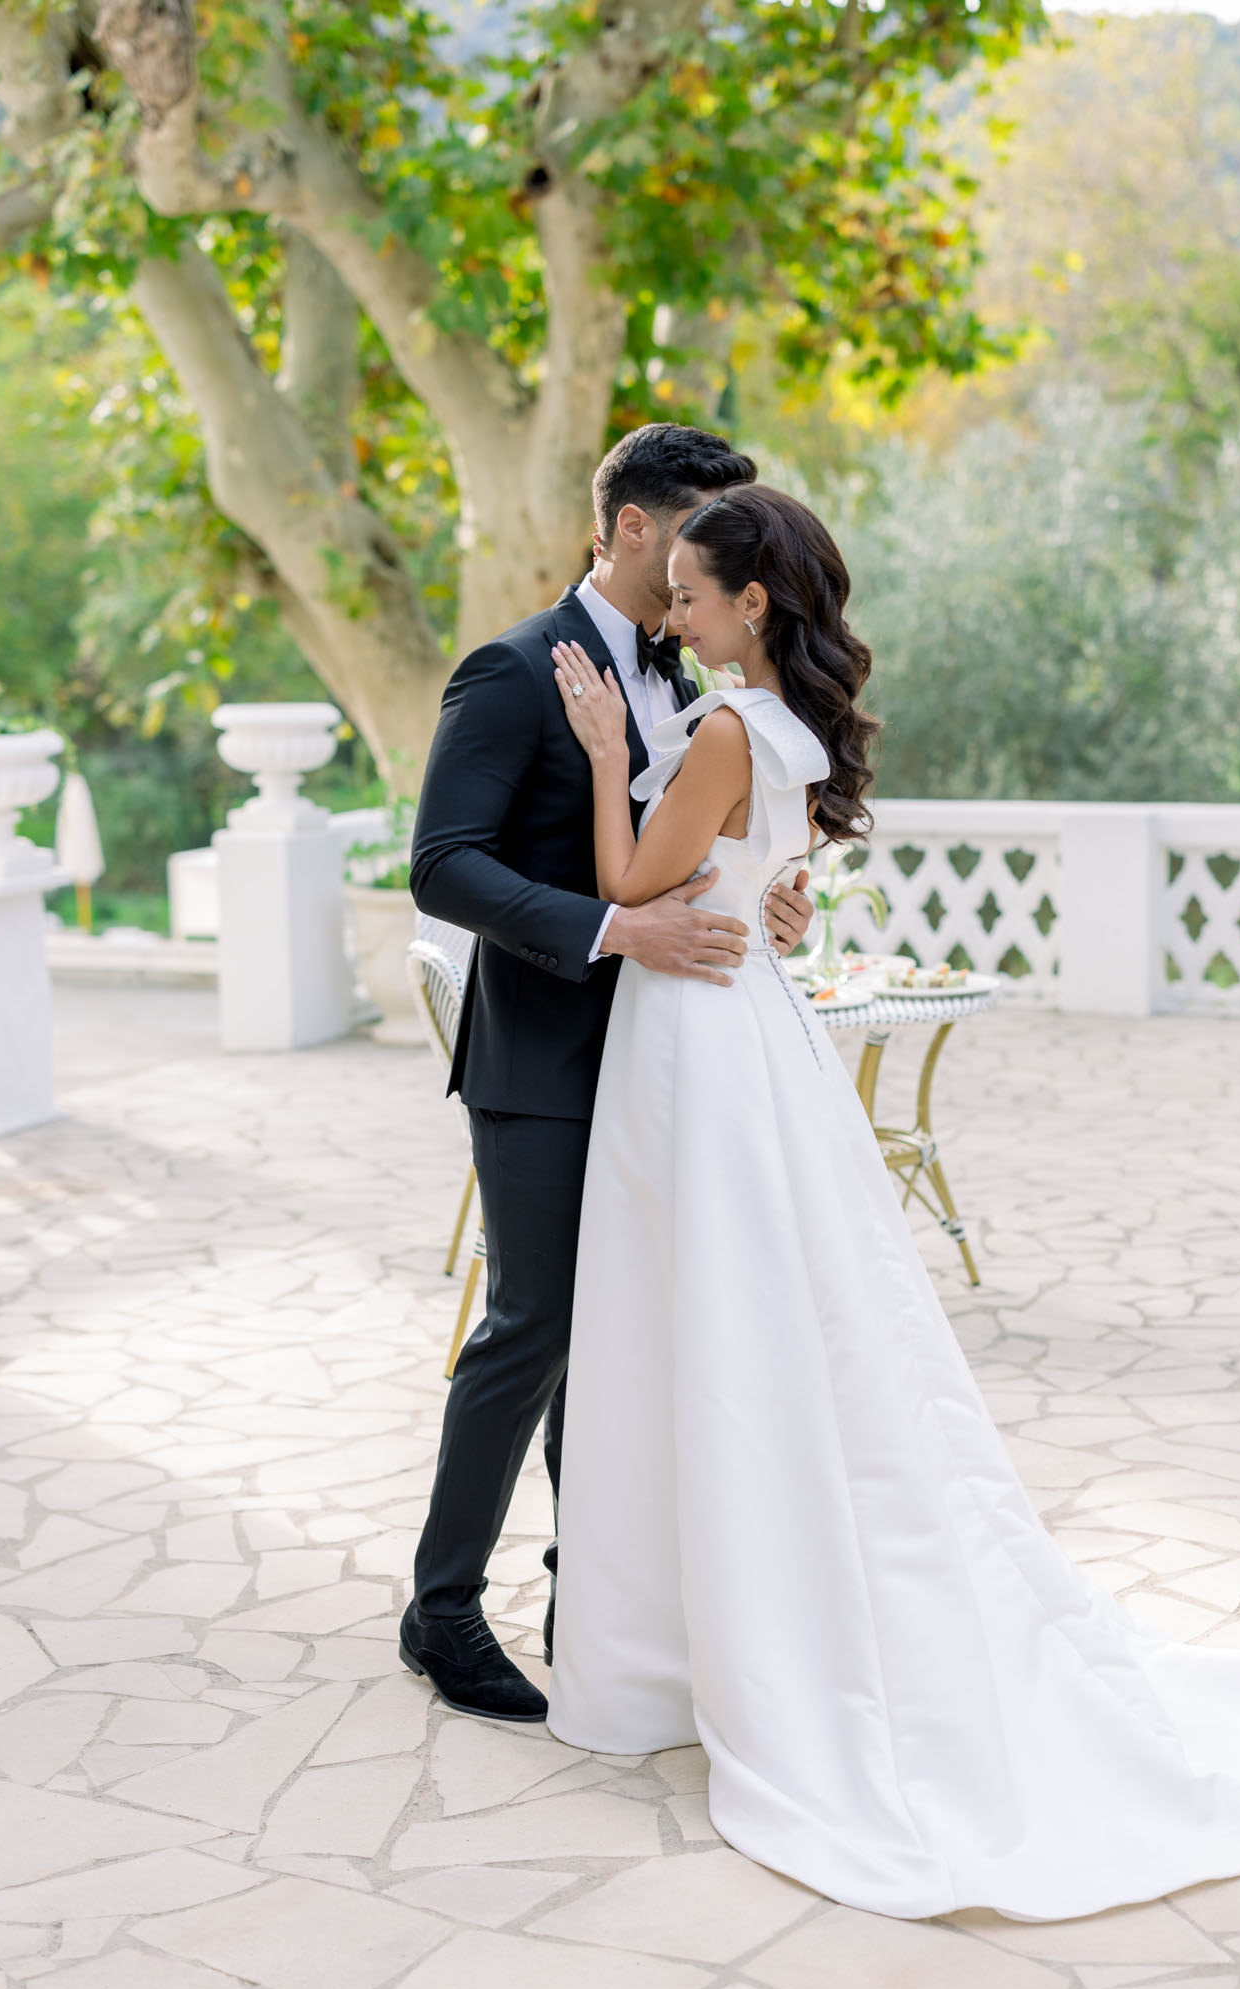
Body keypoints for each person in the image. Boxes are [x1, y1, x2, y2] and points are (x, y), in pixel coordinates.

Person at [544, 482, 1240, 1921]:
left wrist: (611, 751)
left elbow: (629, 881)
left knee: (711, 1319)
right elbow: (754, 873)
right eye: (663, 586)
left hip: (699, 1039)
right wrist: (751, 873)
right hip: (746, 1018)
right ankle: (714, 1621)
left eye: (685, 590)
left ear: (751, 602)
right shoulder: (783, 728)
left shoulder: (729, 728)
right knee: (748, 1317)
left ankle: (736, 1639)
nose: (665, 612)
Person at [400, 426, 815, 1723]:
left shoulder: (698, 682)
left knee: (627, 1335)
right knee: (533, 1328)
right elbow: (443, 864)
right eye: (695, 529)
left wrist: (764, 895)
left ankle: (599, 1599)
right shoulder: (514, 670)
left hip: (668, 1059)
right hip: (544, 1062)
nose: (702, 559)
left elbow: (690, 835)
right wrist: (615, 927)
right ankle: (443, 1611)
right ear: (633, 528)